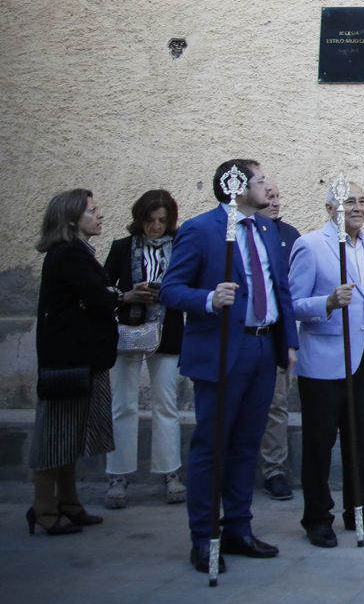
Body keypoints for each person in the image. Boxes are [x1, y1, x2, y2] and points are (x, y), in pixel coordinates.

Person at [162, 159, 298, 573]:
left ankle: (239, 526)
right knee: (212, 446)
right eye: (259, 181)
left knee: (246, 443)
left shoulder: (265, 229)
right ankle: (204, 536)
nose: (267, 187)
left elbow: (280, 288)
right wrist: (207, 299)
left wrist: (288, 342)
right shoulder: (201, 230)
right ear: (237, 187)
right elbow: (171, 289)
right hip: (223, 349)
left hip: (262, 348)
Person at [289, 181, 364, 546]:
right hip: (324, 362)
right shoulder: (310, 245)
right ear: (330, 208)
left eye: (362, 200)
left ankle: (361, 510)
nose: (357, 207)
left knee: (360, 441)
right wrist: (328, 303)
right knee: (319, 445)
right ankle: (317, 517)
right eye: (349, 201)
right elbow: (294, 304)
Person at [27, 190, 119, 536]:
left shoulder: (75, 253)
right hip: (69, 362)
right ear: (70, 220)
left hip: (80, 360)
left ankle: (68, 503)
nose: (99, 215)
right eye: (92, 211)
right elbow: (96, 299)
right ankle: (45, 509)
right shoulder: (69, 255)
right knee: (55, 436)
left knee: (70, 436)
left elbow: (93, 299)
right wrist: (114, 297)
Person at [103, 189, 186, 508]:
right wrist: (129, 294)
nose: (156, 227)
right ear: (140, 219)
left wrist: (166, 292)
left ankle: (170, 472)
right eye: (150, 220)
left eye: (162, 221)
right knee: (123, 402)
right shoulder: (122, 248)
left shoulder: (180, 248)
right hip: (128, 330)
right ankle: (118, 474)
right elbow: (105, 286)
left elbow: (188, 285)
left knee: (166, 403)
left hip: (167, 333)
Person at [257, 176, 300, 502]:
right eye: (268, 195)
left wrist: (290, 342)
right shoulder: (239, 234)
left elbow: (291, 294)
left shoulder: (289, 236)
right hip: (243, 337)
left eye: (277, 196)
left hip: (276, 335)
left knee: (276, 405)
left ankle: (274, 469)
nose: (274, 201)